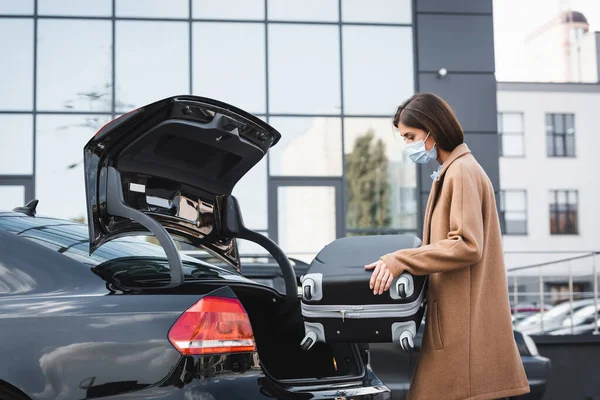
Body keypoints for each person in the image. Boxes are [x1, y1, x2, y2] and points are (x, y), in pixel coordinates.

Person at [365, 93, 530, 400]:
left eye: (411, 136)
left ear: (432, 129)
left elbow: (467, 245)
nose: (408, 145)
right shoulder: (455, 170)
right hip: (457, 324)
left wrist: (400, 260)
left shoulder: (461, 171)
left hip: (462, 330)